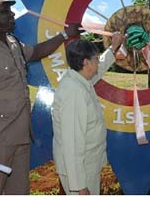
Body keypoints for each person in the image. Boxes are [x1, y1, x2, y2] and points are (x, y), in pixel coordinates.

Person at [0, 0, 82, 194]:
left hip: (20, 135)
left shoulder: (13, 43)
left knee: (19, 191)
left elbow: (36, 52)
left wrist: (65, 34)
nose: (12, 13)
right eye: (4, 10)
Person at [52, 34, 124, 195]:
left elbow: (100, 69)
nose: (98, 63)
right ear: (86, 63)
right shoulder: (74, 92)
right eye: (96, 59)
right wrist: (79, 186)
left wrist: (113, 48)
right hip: (80, 172)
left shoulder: (79, 79)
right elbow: (72, 142)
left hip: (86, 166)